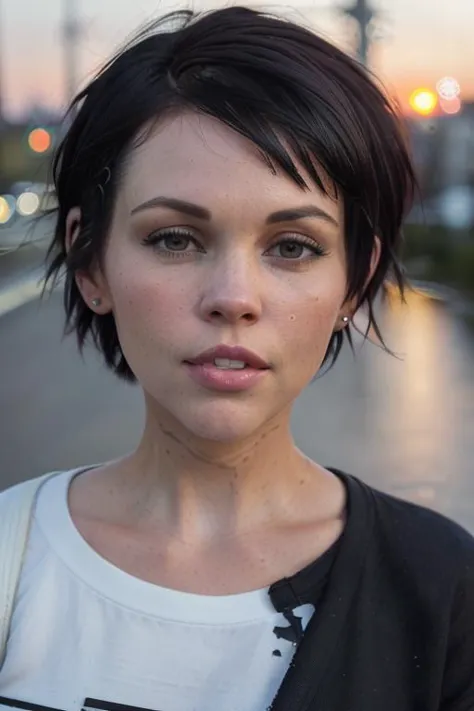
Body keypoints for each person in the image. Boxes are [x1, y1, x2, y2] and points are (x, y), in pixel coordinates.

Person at [0, 6, 473, 710]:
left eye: (292, 247)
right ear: (89, 259)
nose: (233, 298)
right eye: (174, 239)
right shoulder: (11, 557)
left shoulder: (443, 589)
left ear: (356, 280)